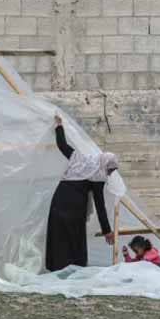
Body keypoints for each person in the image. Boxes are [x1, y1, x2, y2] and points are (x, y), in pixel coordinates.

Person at [45, 115, 118, 272]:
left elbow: (62, 145)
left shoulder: (79, 160)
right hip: (74, 210)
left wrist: (59, 127)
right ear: (105, 164)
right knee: (74, 239)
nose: (109, 173)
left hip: (59, 202)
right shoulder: (98, 176)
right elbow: (100, 205)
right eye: (110, 170)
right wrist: (107, 230)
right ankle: (74, 269)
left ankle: (57, 268)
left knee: (59, 236)